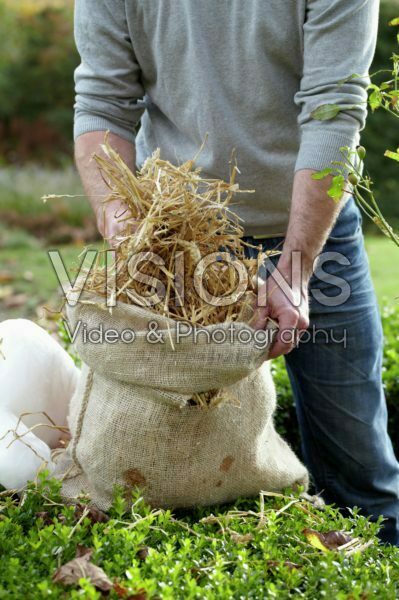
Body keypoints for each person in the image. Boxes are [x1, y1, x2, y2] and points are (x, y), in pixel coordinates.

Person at [73, 0, 399, 545]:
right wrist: (137, 239)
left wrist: (295, 268)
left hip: (314, 231)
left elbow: (333, 110)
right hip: (180, 236)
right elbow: (103, 105)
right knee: (170, 451)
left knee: (359, 461)